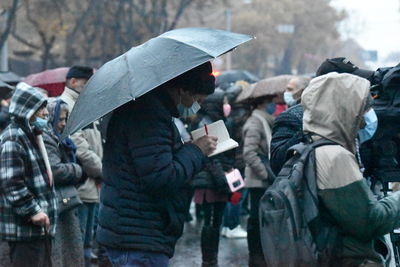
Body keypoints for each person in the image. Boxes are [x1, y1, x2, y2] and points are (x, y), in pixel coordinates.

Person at [96, 62, 218, 267]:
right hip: (139, 235)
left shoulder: (150, 110)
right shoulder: (149, 115)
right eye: (196, 99)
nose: (194, 106)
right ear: (182, 90)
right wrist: (196, 151)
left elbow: (153, 161)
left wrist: (184, 149)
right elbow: (160, 177)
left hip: (137, 231)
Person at [302, 72, 400, 266]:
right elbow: (369, 221)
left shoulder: (315, 146)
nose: (366, 117)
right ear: (345, 109)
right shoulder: (335, 157)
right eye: (363, 108)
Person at [270, 58, 374, 175]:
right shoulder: (293, 116)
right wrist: (314, 128)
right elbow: (277, 164)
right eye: (353, 84)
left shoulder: (351, 116)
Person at [0, 83, 57, 267]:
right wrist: (32, 211)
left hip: (38, 229)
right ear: (28, 110)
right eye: (41, 109)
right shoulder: (14, 137)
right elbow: (11, 182)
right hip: (25, 228)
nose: (46, 114)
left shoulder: (30, 134)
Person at [60, 65, 102, 267]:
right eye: (86, 83)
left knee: (88, 238)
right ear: (73, 82)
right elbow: (79, 146)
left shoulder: (84, 104)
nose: (88, 88)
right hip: (82, 181)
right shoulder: (67, 105)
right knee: (80, 237)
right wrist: (100, 169)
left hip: (92, 182)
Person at [192, 89, 236, 266]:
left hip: (218, 179)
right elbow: (211, 158)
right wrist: (222, 180)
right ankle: (208, 261)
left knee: (215, 222)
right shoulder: (205, 124)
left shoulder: (219, 122)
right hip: (211, 181)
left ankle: (212, 259)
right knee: (210, 222)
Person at [43, 99, 85, 267]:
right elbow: (54, 170)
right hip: (58, 204)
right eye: (59, 119)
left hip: (66, 202)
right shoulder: (47, 138)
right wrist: (78, 169)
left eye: (65, 119)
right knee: (62, 251)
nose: (63, 124)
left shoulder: (62, 139)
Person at [242, 94, 276, 267]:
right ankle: (255, 258)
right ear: (262, 103)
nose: (273, 105)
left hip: (263, 181)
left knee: (262, 220)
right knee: (256, 220)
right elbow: (249, 152)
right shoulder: (255, 122)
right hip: (258, 182)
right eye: (270, 102)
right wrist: (266, 174)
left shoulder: (265, 120)